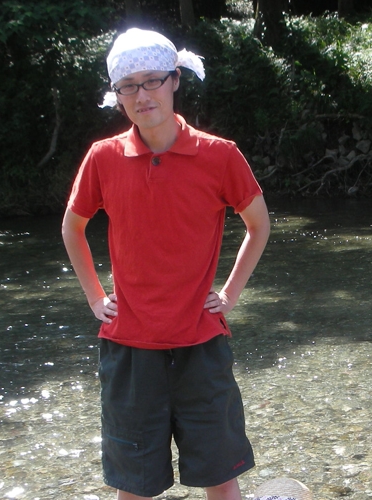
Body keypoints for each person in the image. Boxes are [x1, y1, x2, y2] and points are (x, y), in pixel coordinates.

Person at [62, 28, 271, 500]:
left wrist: (230, 293)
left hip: (202, 344)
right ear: (117, 94)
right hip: (129, 347)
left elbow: (259, 225)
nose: (142, 95)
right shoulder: (103, 158)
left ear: (175, 79)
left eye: (152, 80)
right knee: (134, 485)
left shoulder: (220, 155)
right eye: (128, 85)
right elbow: (72, 228)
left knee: (221, 475)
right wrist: (95, 297)